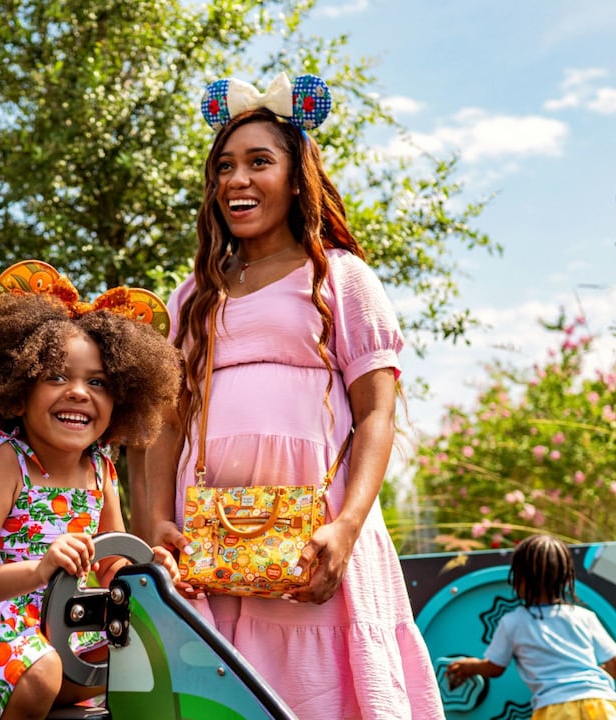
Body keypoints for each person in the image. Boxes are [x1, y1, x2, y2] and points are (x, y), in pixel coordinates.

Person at [130, 73, 445, 718]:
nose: (236, 180)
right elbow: (169, 418)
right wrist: (155, 519)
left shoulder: (341, 277)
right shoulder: (195, 294)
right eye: (224, 167)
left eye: (258, 162)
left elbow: (376, 413)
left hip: (313, 534)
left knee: (318, 694)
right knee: (222, 689)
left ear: (298, 177)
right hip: (208, 539)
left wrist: (348, 526)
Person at [0, 264, 183, 720]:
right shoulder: (5, 462)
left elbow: (112, 566)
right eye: (55, 377)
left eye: (98, 382)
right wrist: (41, 568)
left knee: (144, 663)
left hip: (62, 632)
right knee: (41, 669)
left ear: (121, 400)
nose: (78, 393)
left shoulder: (102, 471)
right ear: (17, 388)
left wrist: (145, 571)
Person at [446, 534, 616, 720]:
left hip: (556, 709)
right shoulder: (584, 616)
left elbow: (494, 668)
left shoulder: (513, 622)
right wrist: (586, 678)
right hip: (603, 705)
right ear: (565, 578)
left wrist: (468, 667)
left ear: (520, 580)